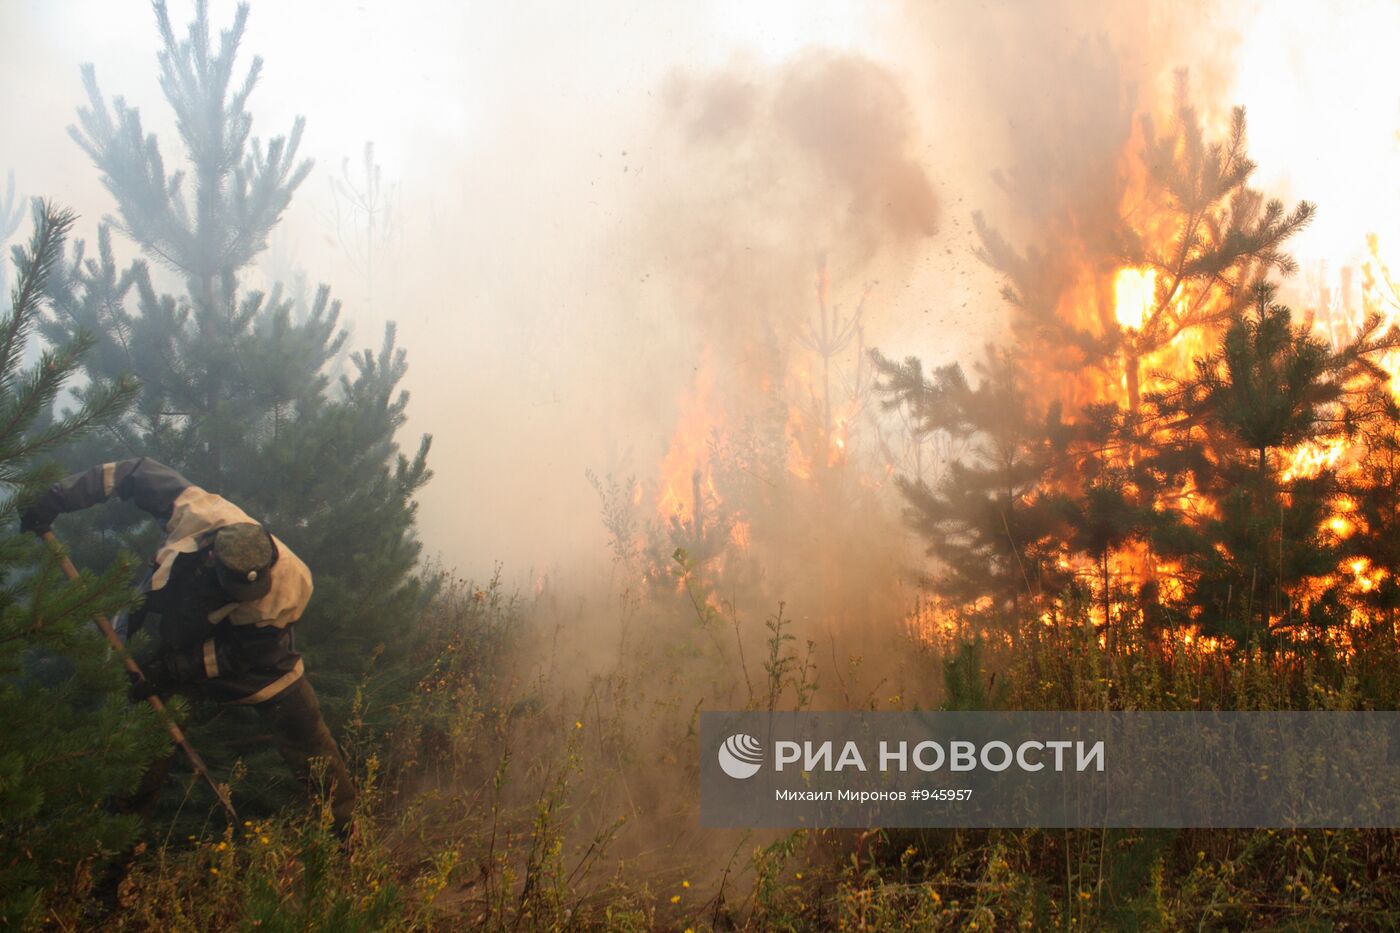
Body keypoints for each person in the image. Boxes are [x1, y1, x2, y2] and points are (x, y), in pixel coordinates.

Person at [19, 457, 355, 829]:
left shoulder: (290, 584)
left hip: (253, 659)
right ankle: (114, 856)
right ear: (212, 557)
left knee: (304, 731)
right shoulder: (196, 512)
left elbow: (248, 653)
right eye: (237, 588)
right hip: (178, 634)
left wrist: (173, 670)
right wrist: (55, 498)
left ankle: (344, 834)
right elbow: (129, 473)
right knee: (147, 746)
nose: (246, 595)